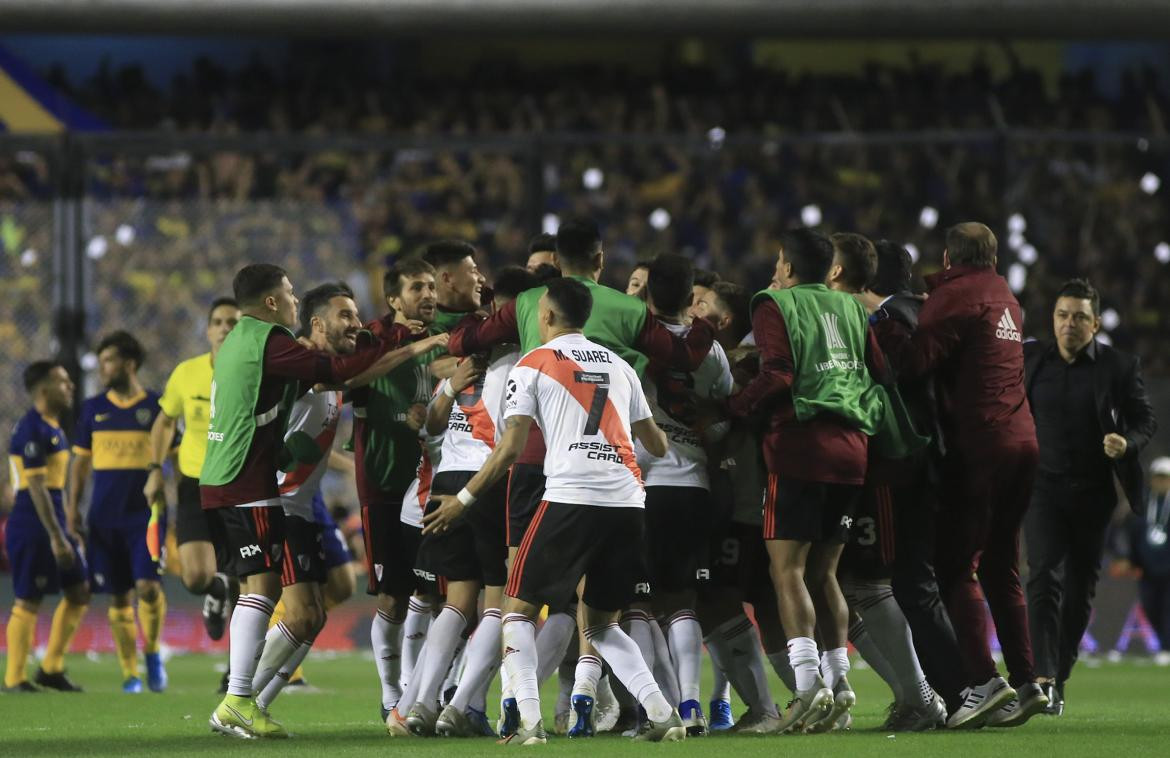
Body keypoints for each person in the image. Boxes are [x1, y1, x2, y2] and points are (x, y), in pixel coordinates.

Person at [427, 277, 685, 744]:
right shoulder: (620, 367)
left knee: (516, 611)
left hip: (571, 497)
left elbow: (508, 450)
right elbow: (658, 444)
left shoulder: (533, 363)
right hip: (627, 502)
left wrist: (463, 500)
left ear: (546, 316)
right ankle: (663, 714)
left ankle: (527, 723)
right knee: (602, 625)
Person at [203, 263, 415, 740]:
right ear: (313, 321)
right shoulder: (290, 356)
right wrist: (413, 343)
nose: (355, 323)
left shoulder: (273, 352)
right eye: (344, 315)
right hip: (267, 493)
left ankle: (243, 702)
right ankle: (239, 698)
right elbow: (337, 373)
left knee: (312, 612)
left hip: (292, 502)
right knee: (275, 598)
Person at [871, 222, 1047, 728]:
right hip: (1022, 440)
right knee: (1001, 564)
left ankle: (982, 682)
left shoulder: (956, 295)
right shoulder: (1006, 297)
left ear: (949, 255)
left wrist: (879, 329)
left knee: (952, 568)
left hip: (981, 445)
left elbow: (911, 363)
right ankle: (1028, 680)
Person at [724, 228, 891, 734]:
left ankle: (805, 689)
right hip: (852, 453)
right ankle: (840, 686)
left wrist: (735, 407)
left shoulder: (775, 304)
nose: (775, 271)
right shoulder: (854, 310)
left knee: (787, 572)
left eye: (779, 262)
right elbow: (879, 371)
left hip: (801, 448)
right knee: (824, 574)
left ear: (790, 268)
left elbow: (778, 375)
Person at [827, 233, 946, 731]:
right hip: (900, 466)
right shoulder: (918, 313)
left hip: (889, 467)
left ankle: (931, 696)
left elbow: (884, 388)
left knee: (878, 583)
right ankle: (915, 695)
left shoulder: (887, 322)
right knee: (858, 583)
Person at [1023, 278, 1157, 715]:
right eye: (1063, 315)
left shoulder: (1118, 366)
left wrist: (1128, 443)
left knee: (1079, 591)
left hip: (1092, 493)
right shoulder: (1031, 361)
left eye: (1080, 317)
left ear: (1095, 323)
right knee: (1043, 578)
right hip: (1042, 489)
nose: (1069, 324)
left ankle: (1059, 675)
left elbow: (1144, 420)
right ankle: (1041, 678)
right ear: (1053, 319)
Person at [628, 254, 733, 736]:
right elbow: (722, 419)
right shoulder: (711, 352)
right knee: (685, 603)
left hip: (642, 487)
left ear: (647, 295)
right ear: (692, 298)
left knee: (642, 606)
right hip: (693, 487)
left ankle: (659, 711)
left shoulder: (632, 343)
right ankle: (691, 707)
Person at [864, 240, 968, 722]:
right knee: (928, 582)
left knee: (909, 583)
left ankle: (960, 689)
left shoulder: (889, 323)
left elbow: (896, 383)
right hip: (946, 459)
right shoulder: (924, 312)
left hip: (909, 464)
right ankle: (962, 687)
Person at [350, 258, 450, 727]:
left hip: (432, 484)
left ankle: (419, 692)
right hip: (384, 485)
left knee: (429, 593)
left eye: (431, 286)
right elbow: (355, 380)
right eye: (417, 287)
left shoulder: (444, 337)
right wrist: (419, 345)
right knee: (392, 596)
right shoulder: (371, 338)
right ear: (393, 299)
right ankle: (391, 693)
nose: (428, 295)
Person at [68, 331, 171, 693]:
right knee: (117, 595)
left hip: (145, 516)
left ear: (129, 363)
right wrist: (72, 509)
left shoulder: (157, 407)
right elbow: (79, 466)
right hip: (103, 516)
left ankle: (154, 652)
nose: (102, 368)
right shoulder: (93, 409)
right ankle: (131, 673)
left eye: (109, 361)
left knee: (146, 586)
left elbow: (178, 454)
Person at [144, 298, 240, 657]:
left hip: (237, 483)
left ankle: (236, 670)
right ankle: (214, 590)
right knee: (196, 578)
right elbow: (165, 421)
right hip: (194, 483)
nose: (225, 327)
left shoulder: (253, 372)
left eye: (232, 322)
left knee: (245, 583)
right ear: (208, 329)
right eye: (218, 321)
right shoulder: (187, 372)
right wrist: (155, 470)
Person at [3, 362, 89, 694]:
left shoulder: (52, 426)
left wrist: (67, 526)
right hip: (33, 522)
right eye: (63, 381)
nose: (70, 387)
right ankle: (14, 678)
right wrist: (56, 537)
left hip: (53, 520)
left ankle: (51, 668)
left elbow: (56, 485)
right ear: (43, 389)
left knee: (79, 591)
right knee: (28, 599)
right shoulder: (31, 428)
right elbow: (36, 487)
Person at [1122, 457, 1170, 667]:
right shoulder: (1142, 503)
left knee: (1168, 609)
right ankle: (1163, 645)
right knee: (1151, 608)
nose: (1161, 482)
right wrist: (1132, 560)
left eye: (1166, 478)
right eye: (1158, 477)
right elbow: (1133, 533)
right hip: (1148, 569)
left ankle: (1167, 648)